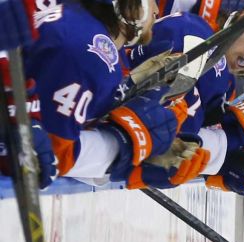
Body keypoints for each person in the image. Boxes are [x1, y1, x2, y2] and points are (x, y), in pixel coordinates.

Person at [20, 0, 206, 189]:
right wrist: (125, 143)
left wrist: (129, 91)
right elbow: (50, 158)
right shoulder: (90, 53)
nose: (158, 10)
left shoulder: (89, 33)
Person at [129, 0, 244, 194]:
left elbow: (183, 148)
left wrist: (233, 167)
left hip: (109, 155)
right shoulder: (194, 33)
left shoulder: (226, 89)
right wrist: (232, 139)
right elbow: (158, 129)